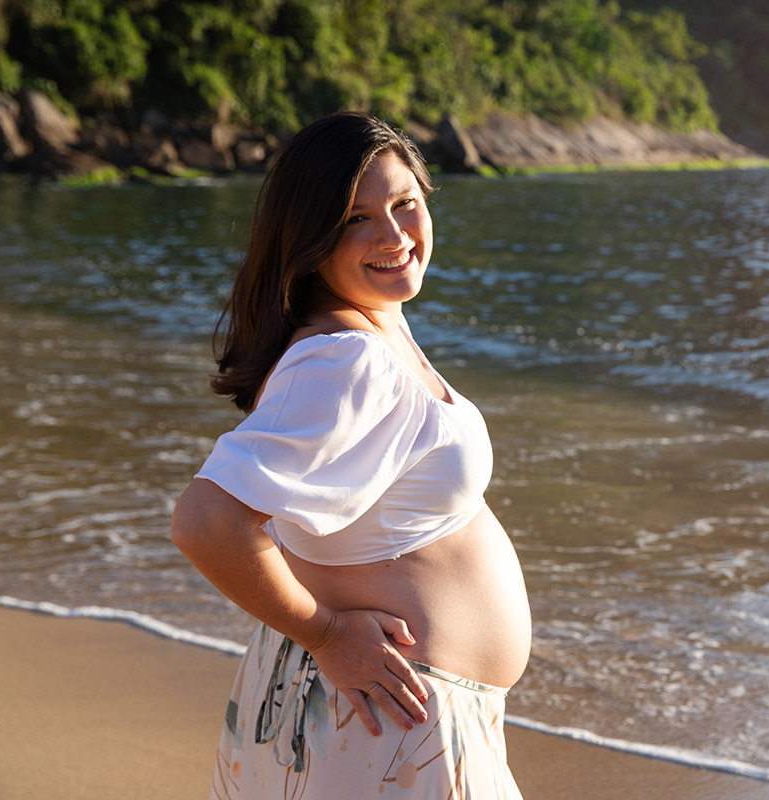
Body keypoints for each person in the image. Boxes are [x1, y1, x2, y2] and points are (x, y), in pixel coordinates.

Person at [171, 111, 531, 799]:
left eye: (405, 204)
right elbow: (205, 520)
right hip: (383, 717)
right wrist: (329, 633)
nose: (395, 236)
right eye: (355, 220)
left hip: (377, 711)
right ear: (310, 240)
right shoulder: (346, 359)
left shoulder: (369, 326)